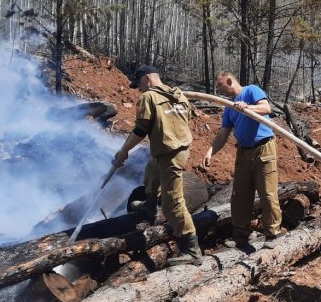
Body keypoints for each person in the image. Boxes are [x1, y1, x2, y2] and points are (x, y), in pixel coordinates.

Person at [113, 65, 202, 266]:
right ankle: (150, 206)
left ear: (147, 79)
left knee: (173, 203)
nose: (139, 89)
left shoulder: (149, 97)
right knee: (151, 170)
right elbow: (186, 118)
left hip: (171, 154)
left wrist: (124, 151)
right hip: (176, 150)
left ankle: (191, 249)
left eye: (139, 84)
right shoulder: (178, 95)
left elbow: (141, 130)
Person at [202, 71, 283, 250]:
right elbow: (223, 133)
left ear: (230, 81)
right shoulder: (229, 107)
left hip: (264, 149)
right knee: (240, 196)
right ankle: (241, 235)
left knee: (268, 194)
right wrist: (210, 152)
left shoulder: (251, 91)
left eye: (221, 86)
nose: (219, 91)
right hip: (244, 153)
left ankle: (272, 234)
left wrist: (247, 108)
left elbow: (266, 108)